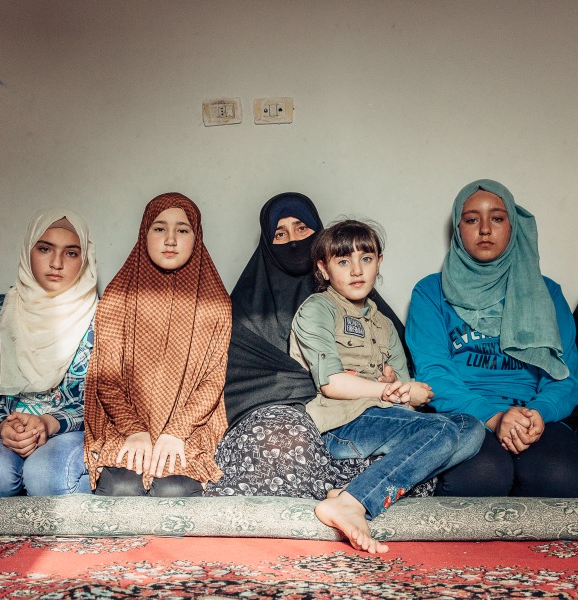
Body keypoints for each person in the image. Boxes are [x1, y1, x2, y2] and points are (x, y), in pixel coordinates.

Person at [205, 192, 431, 502]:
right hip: (273, 417)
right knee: (287, 437)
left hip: (350, 415)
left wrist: (387, 385)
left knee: (414, 449)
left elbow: (395, 377)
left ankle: (343, 496)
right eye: (280, 234)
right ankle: (341, 495)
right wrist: (328, 383)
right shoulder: (246, 304)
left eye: (302, 229)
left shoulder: (368, 310)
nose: (293, 241)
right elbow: (237, 381)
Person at [290, 219, 484, 553]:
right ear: (323, 268)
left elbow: (407, 394)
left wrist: (404, 389)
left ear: (379, 262)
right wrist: (383, 390)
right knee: (442, 430)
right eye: (342, 261)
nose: (356, 270)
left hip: (387, 419)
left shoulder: (383, 323)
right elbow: (332, 384)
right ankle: (353, 504)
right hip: (344, 423)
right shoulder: (318, 309)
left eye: (365, 258)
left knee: (472, 427)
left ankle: (354, 490)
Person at [407, 179, 578, 497]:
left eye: (497, 218)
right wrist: (494, 418)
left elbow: (565, 376)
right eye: (472, 219)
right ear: (459, 229)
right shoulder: (430, 292)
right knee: (481, 476)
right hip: (464, 417)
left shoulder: (547, 293)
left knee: (560, 476)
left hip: (534, 417)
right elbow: (433, 374)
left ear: (513, 226)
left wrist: (537, 414)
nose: (485, 229)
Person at [84, 193, 231, 497]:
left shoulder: (216, 304)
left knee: (173, 490)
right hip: (123, 423)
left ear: (197, 237)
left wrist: (176, 432)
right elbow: (107, 380)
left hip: (189, 427)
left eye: (183, 230)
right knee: (123, 486)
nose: (171, 240)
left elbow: (212, 380)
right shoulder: (117, 299)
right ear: (144, 233)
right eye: (160, 228)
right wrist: (134, 430)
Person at [0, 208, 97, 497]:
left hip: (66, 429)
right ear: (28, 251)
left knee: (46, 474)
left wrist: (48, 423)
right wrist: (2, 424)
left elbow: (97, 403)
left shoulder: (100, 317)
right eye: (45, 249)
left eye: (71, 253)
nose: (56, 263)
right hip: (8, 429)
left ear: (85, 260)